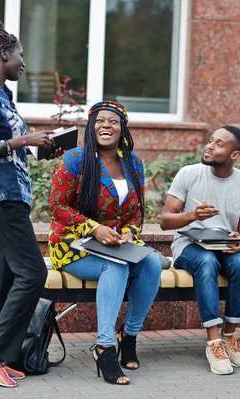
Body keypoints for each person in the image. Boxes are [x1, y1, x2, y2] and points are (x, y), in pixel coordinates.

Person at [0, 18, 62, 388]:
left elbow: (9, 145)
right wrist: (24, 141)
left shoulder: (3, 95)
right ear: (4, 54)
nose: (23, 61)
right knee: (34, 273)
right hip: (1, 193)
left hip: (13, 191)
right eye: (20, 54)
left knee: (3, 277)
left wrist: (43, 147)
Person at [48, 100, 162, 385]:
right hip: (73, 244)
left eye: (113, 121)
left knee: (151, 264)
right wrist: (93, 227)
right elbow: (57, 205)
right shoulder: (77, 159)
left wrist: (129, 233)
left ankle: (129, 336)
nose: (106, 125)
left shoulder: (133, 163)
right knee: (117, 268)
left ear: (122, 128)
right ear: (91, 128)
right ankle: (104, 346)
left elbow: (137, 213)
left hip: (114, 244)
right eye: (99, 121)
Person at [160, 126, 240, 375]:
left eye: (219, 144)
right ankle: (213, 341)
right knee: (206, 262)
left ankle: (231, 334)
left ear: (234, 155)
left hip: (224, 246)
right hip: (188, 245)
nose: (210, 146)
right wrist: (192, 215)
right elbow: (165, 221)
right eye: (211, 140)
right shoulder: (189, 174)